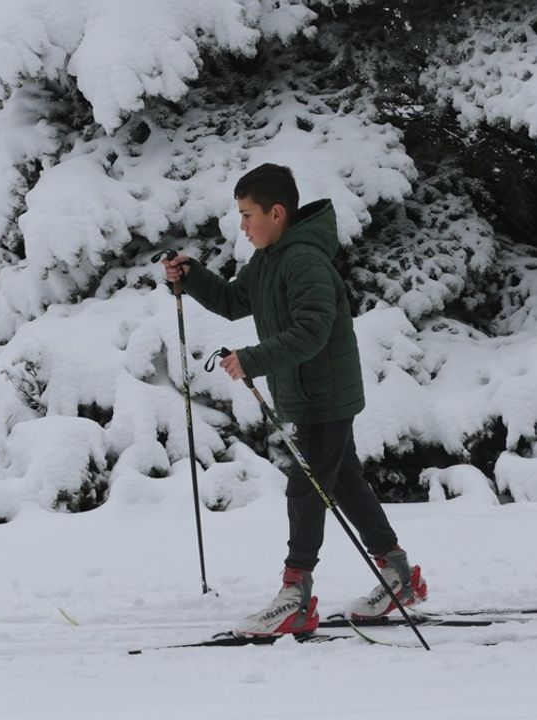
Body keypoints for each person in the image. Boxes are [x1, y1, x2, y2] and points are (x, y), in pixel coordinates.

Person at [161, 163, 427, 637]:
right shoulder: (270, 259)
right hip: (309, 394)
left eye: (247, 215)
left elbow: (312, 331)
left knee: (306, 490)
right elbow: (232, 300)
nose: (242, 226)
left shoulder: (303, 260)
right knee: (343, 482)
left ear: (277, 212)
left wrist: (253, 359)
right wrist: (191, 276)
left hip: (324, 394)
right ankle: (398, 574)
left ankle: (295, 596)